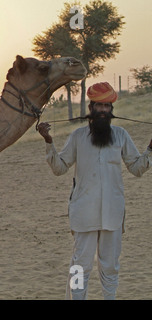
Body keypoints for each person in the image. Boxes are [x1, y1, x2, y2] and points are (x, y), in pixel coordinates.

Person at [38, 82, 152, 300]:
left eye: (107, 106)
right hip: (84, 214)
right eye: (99, 106)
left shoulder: (120, 135)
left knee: (110, 267)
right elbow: (59, 168)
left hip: (113, 213)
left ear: (111, 110)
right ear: (91, 108)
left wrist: (150, 149)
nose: (102, 110)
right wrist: (48, 141)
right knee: (80, 266)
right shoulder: (78, 137)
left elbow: (137, 168)